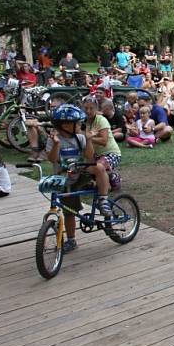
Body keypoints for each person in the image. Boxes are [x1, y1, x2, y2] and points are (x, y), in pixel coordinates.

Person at [46, 104, 111, 252]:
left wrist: (88, 140)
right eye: (77, 123)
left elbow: (89, 157)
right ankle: (71, 240)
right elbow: (52, 159)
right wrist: (56, 144)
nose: (80, 125)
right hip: (64, 178)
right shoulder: (54, 139)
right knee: (69, 211)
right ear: (66, 125)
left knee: (99, 167)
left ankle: (103, 199)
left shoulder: (79, 137)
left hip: (79, 173)